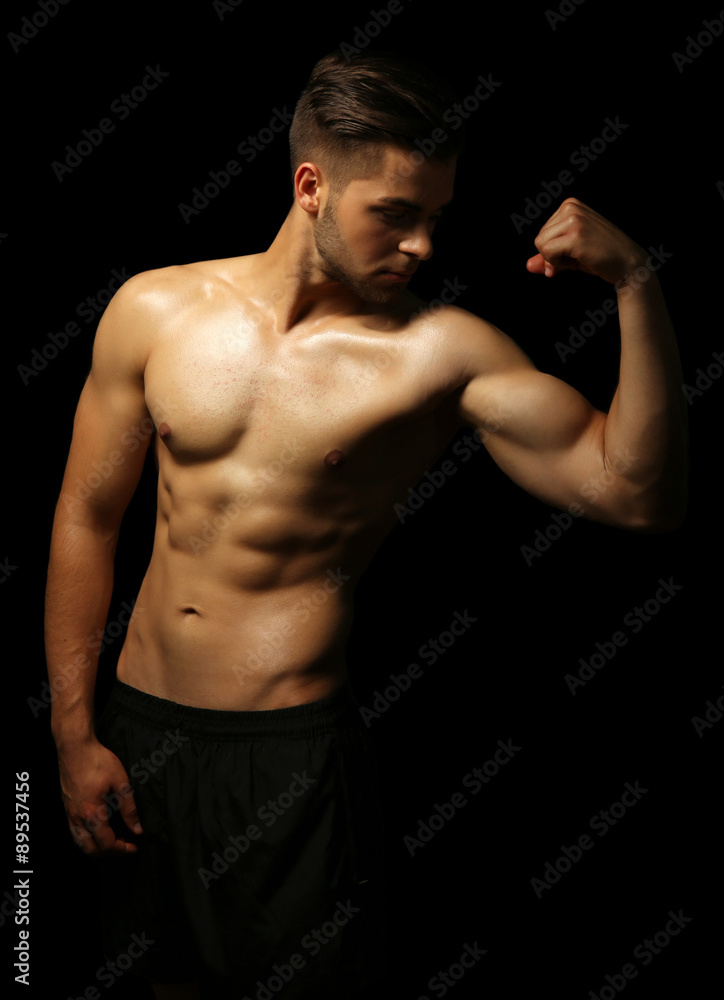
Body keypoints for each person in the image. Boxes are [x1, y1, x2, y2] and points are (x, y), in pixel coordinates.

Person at [44, 49, 688, 999]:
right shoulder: (155, 309)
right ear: (310, 186)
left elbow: (639, 493)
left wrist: (636, 282)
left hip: (289, 764)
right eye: (395, 213)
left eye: (436, 218)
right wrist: (72, 735)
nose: (424, 245)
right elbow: (85, 516)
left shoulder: (436, 355)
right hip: (139, 737)